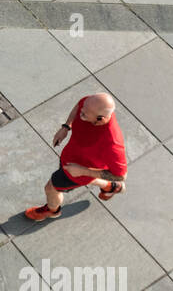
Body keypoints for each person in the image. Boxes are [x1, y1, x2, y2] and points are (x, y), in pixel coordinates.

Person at [24, 92, 128, 222]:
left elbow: (121, 176)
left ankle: (52, 210)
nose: (81, 111)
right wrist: (66, 127)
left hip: (77, 174)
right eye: (83, 107)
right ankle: (111, 187)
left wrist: (82, 171)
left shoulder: (112, 143)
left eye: (85, 113)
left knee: (51, 188)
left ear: (100, 118)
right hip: (70, 158)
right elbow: (78, 106)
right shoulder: (89, 104)